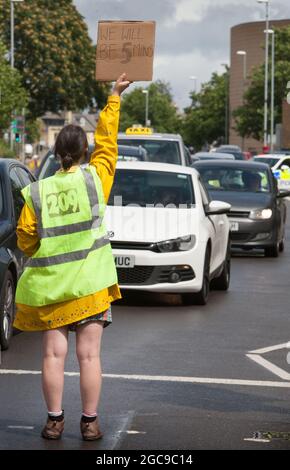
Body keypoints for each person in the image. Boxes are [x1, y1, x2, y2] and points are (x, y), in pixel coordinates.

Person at [13, 73, 132, 441]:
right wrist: (114, 96)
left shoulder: (36, 191)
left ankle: (54, 420)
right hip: (92, 286)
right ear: (84, 151)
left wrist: (45, 250)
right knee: (89, 357)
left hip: (52, 290)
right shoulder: (96, 179)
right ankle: (90, 422)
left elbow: (25, 239)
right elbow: (108, 143)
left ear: (55, 152)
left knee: (52, 355)